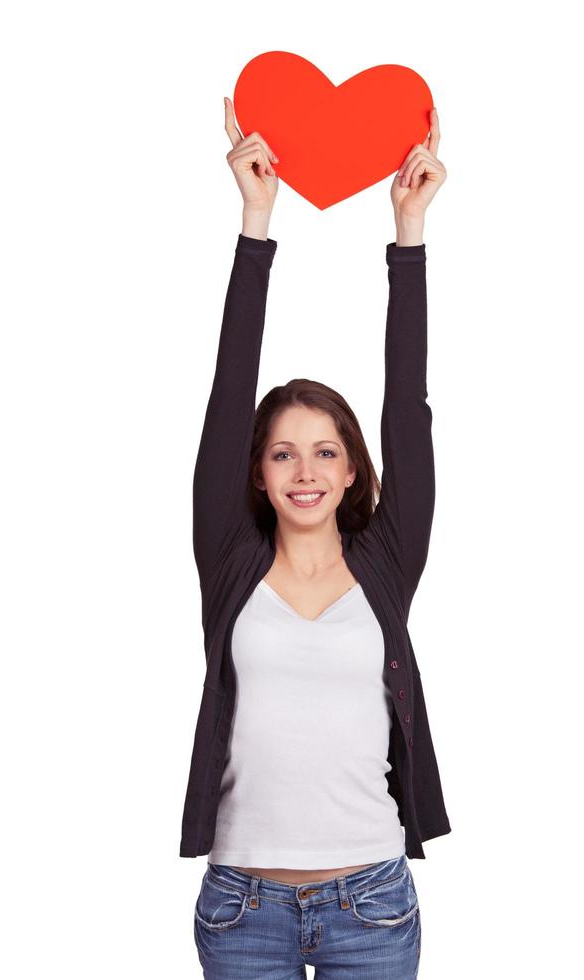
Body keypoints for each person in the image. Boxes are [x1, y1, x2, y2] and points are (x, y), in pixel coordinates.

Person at [187, 95, 449, 978]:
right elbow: (231, 398)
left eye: (325, 452)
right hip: (241, 910)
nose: (304, 470)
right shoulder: (229, 562)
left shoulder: (384, 562)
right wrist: (256, 222)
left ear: (349, 472)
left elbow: (406, 411)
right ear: (256, 473)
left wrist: (407, 238)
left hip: (369, 906)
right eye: (283, 453)